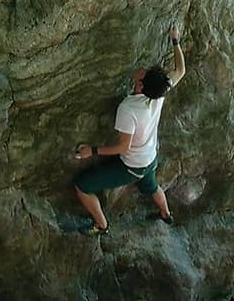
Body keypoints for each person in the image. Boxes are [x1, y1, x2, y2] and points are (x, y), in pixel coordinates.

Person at [72, 25, 185, 235]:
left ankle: (101, 226)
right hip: (150, 158)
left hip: (133, 166)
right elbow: (180, 70)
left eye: (145, 73)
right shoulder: (158, 92)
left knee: (82, 186)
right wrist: (175, 40)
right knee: (152, 186)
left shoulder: (128, 109)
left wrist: (91, 150)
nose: (143, 68)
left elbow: (123, 148)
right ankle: (166, 214)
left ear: (140, 85)